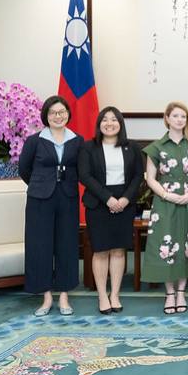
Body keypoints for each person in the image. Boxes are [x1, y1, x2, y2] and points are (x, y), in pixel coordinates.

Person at [142, 102, 188, 315]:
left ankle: (182, 291)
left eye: (183, 116)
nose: (180, 119)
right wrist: (166, 194)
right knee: (167, 244)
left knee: (187, 244)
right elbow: (150, 178)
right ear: (167, 118)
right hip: (164, 203)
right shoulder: (156, 147)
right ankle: (169, 293)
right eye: (176, 116)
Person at [18, 95, 83, 317]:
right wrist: (41, 185)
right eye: (53, 112)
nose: (58, 116)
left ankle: (64, 295)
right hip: (39, 199)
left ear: (68, 115)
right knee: (40, 246)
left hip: (67, 197)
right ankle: (45, 297)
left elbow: (82, 169)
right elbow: (24, 169)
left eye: (62, 112)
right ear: (46, 115)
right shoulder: (34, 140)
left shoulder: (77, 140)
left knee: (67, 245)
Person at [78, 106, 145, 315]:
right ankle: (101, 296)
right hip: (98, 203)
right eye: (105, 119)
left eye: (114, 119)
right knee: (100, 250)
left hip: (125, 203)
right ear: (99, 124)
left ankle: (114, 294)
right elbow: (85, 176)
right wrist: (108, 198)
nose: (109, 123)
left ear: (120, 123)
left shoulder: (132, 147)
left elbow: (138, 175)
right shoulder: (89, 147)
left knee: (118, 250)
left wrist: (125, 199)